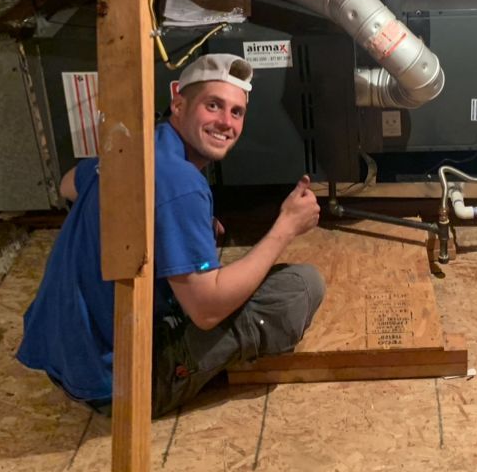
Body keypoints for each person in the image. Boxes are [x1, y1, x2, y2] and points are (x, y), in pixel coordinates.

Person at [17, 53, 323, 416]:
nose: (226, 122)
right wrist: (285, 226)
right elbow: (206, 312)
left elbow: (69, 184)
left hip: (64, 359)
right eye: (213, 105)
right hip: (119, 383)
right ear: (179, 102)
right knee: (299, 287)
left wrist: (159, 222)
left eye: (236, 112)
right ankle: (186, 368)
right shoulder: (181, 183)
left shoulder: (134, 149)